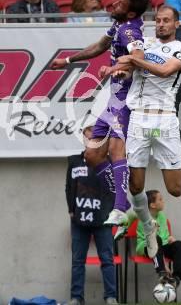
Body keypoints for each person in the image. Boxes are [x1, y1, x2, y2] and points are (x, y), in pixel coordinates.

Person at [51, 0, 150, 226]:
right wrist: (67, 60)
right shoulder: (118, 25)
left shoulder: (130, 30)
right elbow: (100, 46)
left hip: (128, 99)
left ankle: (119, 208)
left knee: (116, 150)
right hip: (113, 99)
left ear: (130, 13)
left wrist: (116, 68)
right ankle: (126, 205)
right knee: (92, 154)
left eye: (121, 2)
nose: (114, 3)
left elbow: (139, 57)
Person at [107, 5, 181, 258]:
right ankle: (148, 226)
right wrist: (118, 69)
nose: (161, 24)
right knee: (135, 185)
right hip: (139, 119)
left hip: (165, 121)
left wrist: (132, 59)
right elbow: (128, 65)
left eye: (166, 21)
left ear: (176, 24)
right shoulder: (145, 44)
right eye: (158, 20)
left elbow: (165, 71)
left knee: (175, 190)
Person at [65, 125, 118, 305]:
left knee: (107, 260)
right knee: (77, 261)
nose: (90, 142)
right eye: (87, 139)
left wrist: (111, 212)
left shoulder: (110, 163)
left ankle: (111, 297)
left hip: (103, 222)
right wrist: (71, 210)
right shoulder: (74, 161)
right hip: (79, 221)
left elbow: (116, 190)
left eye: (94, 139)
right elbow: (69, 187)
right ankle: (76, 298)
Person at [136, 189, 181, 289]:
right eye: (160, 199)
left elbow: (164, 238)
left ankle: (176, 278)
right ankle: (162, 273)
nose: (163, 201)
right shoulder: (144, 220)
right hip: (146, 247)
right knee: (155, 238)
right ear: (152, 205)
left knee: (179, 245)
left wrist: (170, 239)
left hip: (161, 247)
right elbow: (154, 242)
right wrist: (165, 265)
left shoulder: (162, 216)